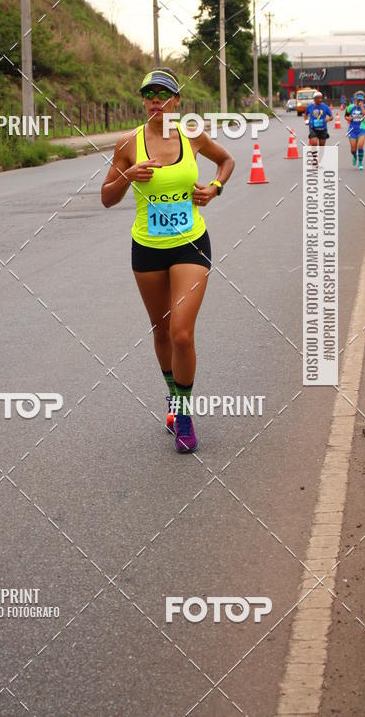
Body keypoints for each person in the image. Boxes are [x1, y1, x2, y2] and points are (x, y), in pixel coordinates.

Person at [101, 68, 235, 453]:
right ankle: (174, 400)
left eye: (163, 93)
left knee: (181, 332)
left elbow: (226, 161)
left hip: (190, 244)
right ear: (144, 100)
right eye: (149, 93)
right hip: (147, 247)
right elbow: (107, 198)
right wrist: (128, 174)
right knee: (160, 331)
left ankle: (186, 416)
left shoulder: (192, 134)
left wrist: (215, 188)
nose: (155, 99)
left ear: (178, 101)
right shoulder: (129, 143)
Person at [305, 91, 332, 165]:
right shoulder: (310, 107)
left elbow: (331, 116)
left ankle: (319, 161)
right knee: (313, 143)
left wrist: (328, 119)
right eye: (318, 98)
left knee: (322, 146)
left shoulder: (325, 107)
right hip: (313, 128)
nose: (320, 100)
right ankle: (314, 159)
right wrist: (306, 121)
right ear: (314, 99)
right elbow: (306, 114)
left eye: (321, 98)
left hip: (323, 129)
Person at [345, 91, 365, 169]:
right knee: (353, 148)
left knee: (360, 145)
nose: (360, 101)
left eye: (361, 100)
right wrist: (348, 118)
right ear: (355, 99)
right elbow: (346, 116)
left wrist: (361, 107)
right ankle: (354, 156)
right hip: (352, 129)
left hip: (361, 129)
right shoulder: (350, 107)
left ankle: (360, 163)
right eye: (358, 100)